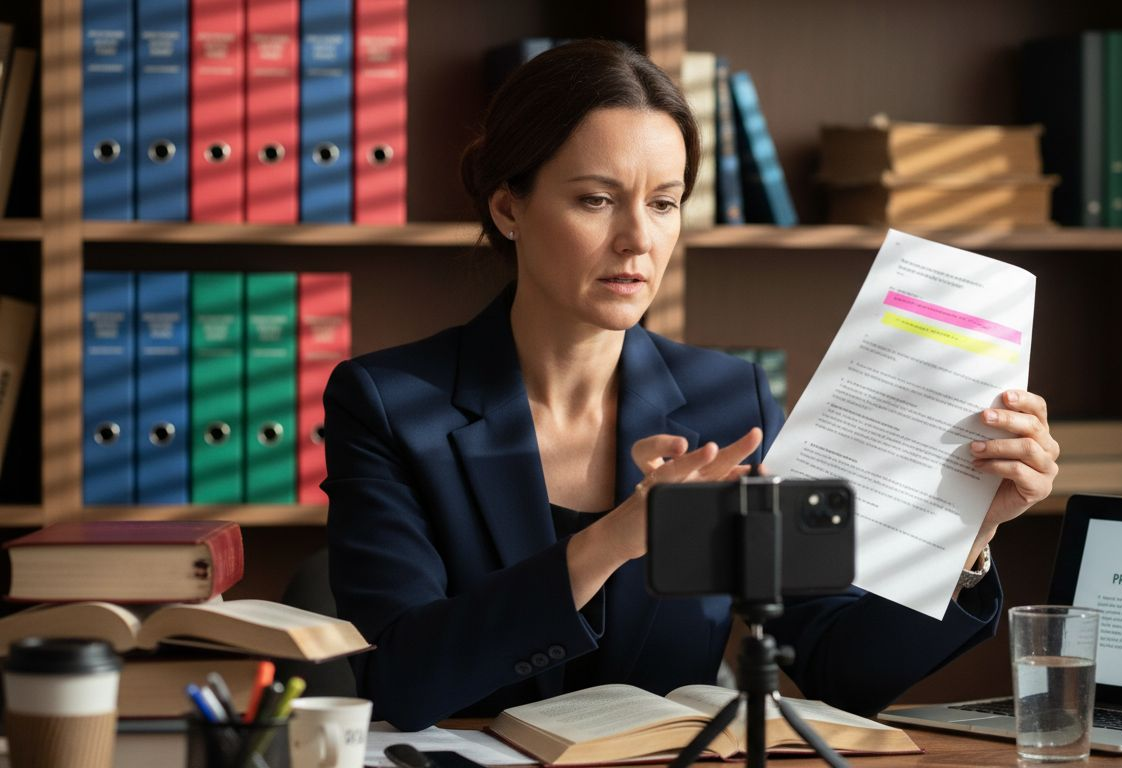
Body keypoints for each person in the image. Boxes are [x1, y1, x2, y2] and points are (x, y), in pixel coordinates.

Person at [324, 39, 1059, 732]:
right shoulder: (389, 404)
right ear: (509, 205)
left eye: (664, 202)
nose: (638, 240)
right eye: (595, 199)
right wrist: (613, 539)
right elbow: (402, 677)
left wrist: (970, 531)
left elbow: (841, 665)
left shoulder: (727, 399)